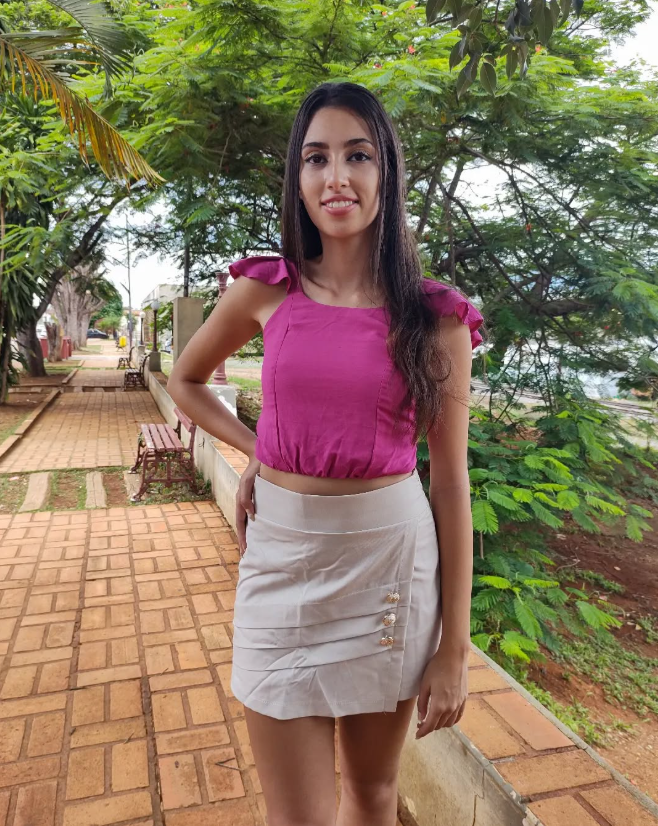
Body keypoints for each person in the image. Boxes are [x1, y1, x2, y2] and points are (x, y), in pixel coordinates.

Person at [168, 81, 485, 826]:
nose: (336, 176)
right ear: (298, 176)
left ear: (386, 172)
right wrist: (261, 448)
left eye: (357, 155)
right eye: (316, 158)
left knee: (372, 794)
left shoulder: (434, 317)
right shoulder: (265, 290)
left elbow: (450, 482)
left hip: (389, 571)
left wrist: (454, 646)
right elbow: (186, 380)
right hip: (279, 562)